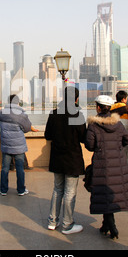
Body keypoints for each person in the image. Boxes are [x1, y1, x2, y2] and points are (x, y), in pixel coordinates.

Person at [85, 95, 128, 239]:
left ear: (99, 107)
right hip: (117, 163)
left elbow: (90, 145)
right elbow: (127, 139)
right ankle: (107, 224)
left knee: (104, 191)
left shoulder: (93, 125)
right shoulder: (118, 124)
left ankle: (111, 225)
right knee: (111, 192)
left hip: (102, 163)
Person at [45, 86, 86, 235]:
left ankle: (52, 221)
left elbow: (48, 135)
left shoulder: (54, 114)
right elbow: (83, 138)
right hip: (72, 158)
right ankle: (67, 224)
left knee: (57, 189)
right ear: (76, 99)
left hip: (57, 158)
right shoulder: (77, 115)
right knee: (70, 192)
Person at [0, 95, 32, 196]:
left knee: (5, 168)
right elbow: (27, 128)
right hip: (18, 145)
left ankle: (3, 190)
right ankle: (21, 190)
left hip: (6, 144)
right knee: (20, 168)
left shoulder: (2, 114)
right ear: (18, 102)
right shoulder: (21, 115)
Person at [110, 90, 128, 160]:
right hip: (125, 133)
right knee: (125, 154)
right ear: (123, 99)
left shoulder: (111, 107)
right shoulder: (127, 108)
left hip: (113, 134)